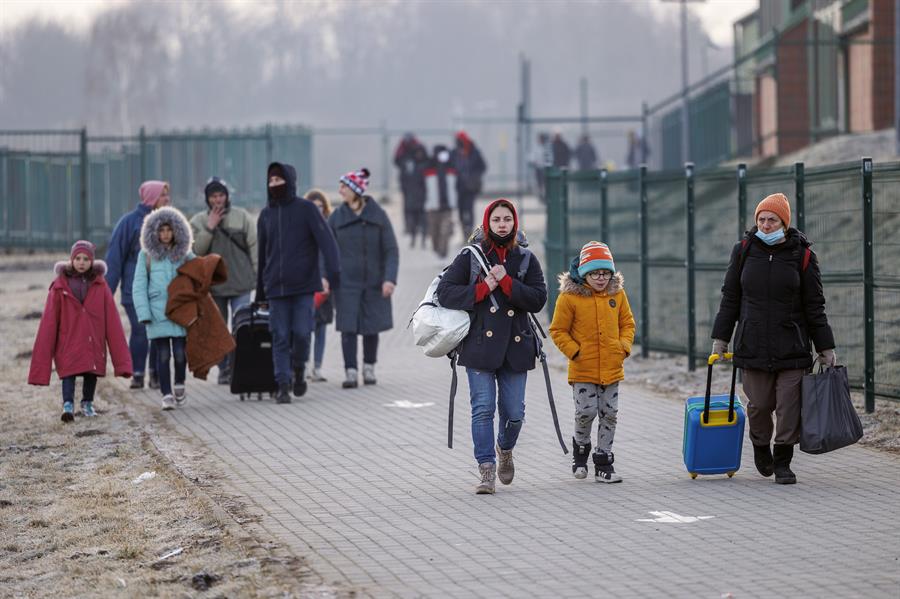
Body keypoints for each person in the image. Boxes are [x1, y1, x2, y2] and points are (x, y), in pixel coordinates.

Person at [711, 193, 836, 485]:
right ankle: (760, 446)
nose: (765, 225)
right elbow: (730, 298)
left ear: (784, 222)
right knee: (759, 405)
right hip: (753, 342)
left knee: (789, 405)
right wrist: (721, 339)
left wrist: (825, 347)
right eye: (761, 220)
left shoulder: (802, 254)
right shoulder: (743, 250)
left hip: (791, 343)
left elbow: (815, 305)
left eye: (772, 220)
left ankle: (783, 460)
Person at [436, 198, 547, 494]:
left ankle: (505, 449)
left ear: (514, 223)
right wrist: (484, 288)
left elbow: (538, 299)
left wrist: (508, 283)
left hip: (516, 345)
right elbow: (446, 293)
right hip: (479, 346)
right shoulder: (470, 256)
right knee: (482, 409)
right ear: (487, 222)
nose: (502, 224)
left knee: (514, 413)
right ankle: (486, 469)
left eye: (507, 219)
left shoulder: (525, 258)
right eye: (496, 219)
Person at [549, 241, 635, 483]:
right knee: (585, 412)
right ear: (585, 273)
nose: (601, 278)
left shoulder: (617, 295)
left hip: (612, 367)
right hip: (583, 368)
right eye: (596, 273)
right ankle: (581, 450)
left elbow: (627, 323)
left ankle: (604, 462)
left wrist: (623, 347)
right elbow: (558, 330)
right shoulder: (570, 298)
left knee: (609, 414)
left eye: (605, 273)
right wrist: (575, 352)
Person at [257, 162, 341, 404]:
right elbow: (263, 255)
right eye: (271, 181)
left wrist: (333, 275)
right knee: (280, 336)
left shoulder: (307, 210)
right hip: (275, 288)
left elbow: (327, 242)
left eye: (279, 180)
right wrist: (260, 294)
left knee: (303, 334)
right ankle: (283, 384)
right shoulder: (266, 215)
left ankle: (299, 369)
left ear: (290, 182)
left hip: (304, 286)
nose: (275, 185)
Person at [28, 240, 133, 421]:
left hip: (93, 339)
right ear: (71, 260)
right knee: (68, 373)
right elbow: (49, 322)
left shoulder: (100, 285)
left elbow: (113, 322)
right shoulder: (60, 285)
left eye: (86, 258)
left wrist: (122, 363)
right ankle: (67, 404)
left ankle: (87, 403)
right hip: (68, 339)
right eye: (77, 258)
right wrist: (40, 366)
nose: (82, 262)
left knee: (90, 374)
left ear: (92, 261)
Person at [328, 168, 399, 389]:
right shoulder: (337, 217)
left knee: (371, 326)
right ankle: (350, 371)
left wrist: (389, 279)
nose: (340, 191)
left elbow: (391, 250)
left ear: (356, 190)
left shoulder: (378, 216)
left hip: (374, 282)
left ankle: (369, 367)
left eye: (344, 187)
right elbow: (326, 250)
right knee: (347, 327)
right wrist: (325, 277)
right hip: (345, 283)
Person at [190, 177, 257, 385]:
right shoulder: (198, 221)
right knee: (218, 330)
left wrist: (257, 276)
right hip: (213, 286)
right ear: (207, 199)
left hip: (240, 282)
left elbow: (255, 248)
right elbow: (195, 252)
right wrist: (209, 228)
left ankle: (241, 366)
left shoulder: (242, 217)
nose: (218, 200)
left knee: (242, 326)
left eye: (221, 195)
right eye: (213, 196)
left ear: (227, 196)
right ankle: (224, 368)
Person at [105, 180, 170, 390]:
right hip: (134, 289)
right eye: (163, 195)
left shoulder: (168, 222)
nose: (167, 200)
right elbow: (115, 259)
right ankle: (137, 372)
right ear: (152, 198)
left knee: (159, 331)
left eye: (167, 195)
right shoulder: (129, 223)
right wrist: (105, 292)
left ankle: (157, 374)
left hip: (161, 290)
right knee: (141, 330)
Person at [132, 206, 195, 411]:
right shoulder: (147, 255)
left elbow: (198, 274)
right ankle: (166, 394)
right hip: (156, 312)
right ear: (154, 232)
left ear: (177, 231)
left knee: (179, 353)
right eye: (161, 230)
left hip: (179, 311)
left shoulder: (185, 254)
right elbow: (139, 285)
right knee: (162, 355)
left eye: (169, 230)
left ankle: (179, 383)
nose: (165, 234)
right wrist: (144, 313)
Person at [304, 189, 335, 383]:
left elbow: (331, 257)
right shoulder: (301, 229)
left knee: (321, 327)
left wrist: (327, 278)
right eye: (314, 207)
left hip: (325, 285)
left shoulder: (329, 229)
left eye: (321, 207)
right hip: (306, 285)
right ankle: (305, 365)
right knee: (306, 327)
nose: (318, 210)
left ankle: (317, 366)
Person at [394, 133, 428, 248]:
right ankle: (412, 232)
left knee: (420, 214)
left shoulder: (419, 158)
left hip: (419, 189)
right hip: (410, 188)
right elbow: (397, 161)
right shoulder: (405, 156)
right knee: (411, 212)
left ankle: (421, 235)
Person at [450, 131, 487, 239]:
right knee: (461, 210)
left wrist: (474, 176)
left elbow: (483, 166)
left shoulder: (474, 152)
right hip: (459, 187)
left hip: (471, 187)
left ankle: (469, 231)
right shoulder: (454, 153)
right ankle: (464, 232)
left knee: (469, 209)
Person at [423, 144, 457, 259]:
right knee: (434, 232)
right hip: (432, 206)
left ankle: (443, 252)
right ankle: (437, 250)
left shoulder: (452, 168)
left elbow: (458, 185)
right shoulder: (428, 169)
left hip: (447, 206)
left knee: (445, 230)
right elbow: (420, 187)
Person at [530, 132, 552, 202]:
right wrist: (534, 161)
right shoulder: (536, 147)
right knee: (539, 183)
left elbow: (549, 157)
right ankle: (541, 196)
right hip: (538, 168)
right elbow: (532, 157)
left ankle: (545, 196)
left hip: (545, 168)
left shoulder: (547, 147)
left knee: (545, 183)